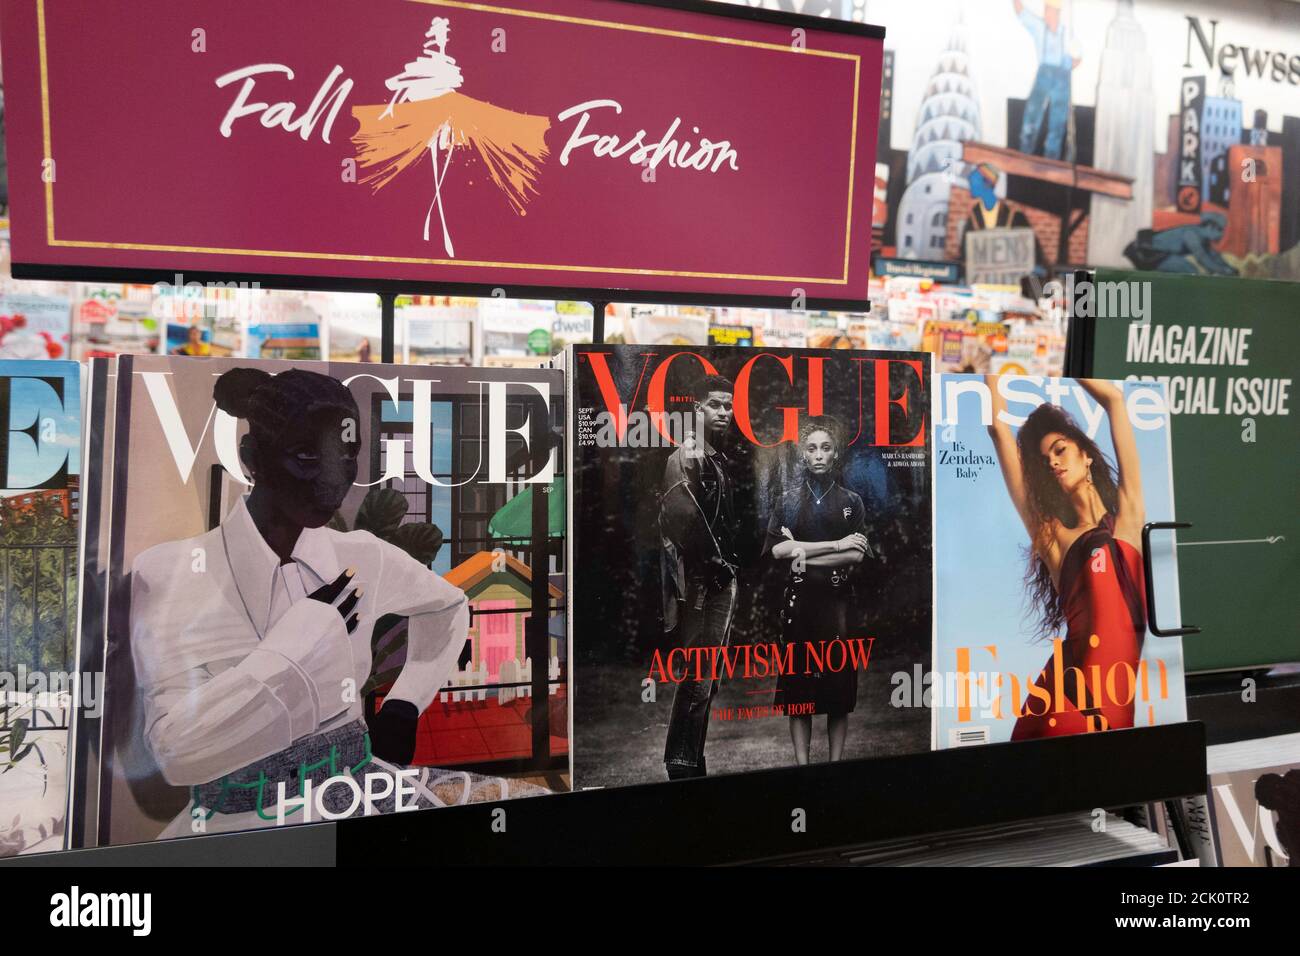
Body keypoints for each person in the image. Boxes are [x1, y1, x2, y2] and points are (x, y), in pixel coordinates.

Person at [128, 367, 519, 836]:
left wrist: (405, 704)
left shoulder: (362, 555)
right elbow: (177, 755)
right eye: (306, 455)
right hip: (237, 821)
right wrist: (305, 636)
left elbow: (449, 605)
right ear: (251, 457)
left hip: (361, 788)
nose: (334, 479)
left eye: (346, 455)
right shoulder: (170, 571)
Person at [985, 377, 1147, 737]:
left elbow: (1114, 400)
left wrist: (1067, 358)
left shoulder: (1130, 517)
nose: (1053, 463)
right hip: (1065, 704)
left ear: (1086, 454)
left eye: (1060, 450)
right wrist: (990, 361)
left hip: (1113, 712)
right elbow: (998, 429)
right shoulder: (1054, 539)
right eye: (1045, 461)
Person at [767, 418, 871, 764]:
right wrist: (835, 545)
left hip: (837, 608)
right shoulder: (787, 501)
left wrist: (803, 551)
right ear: (803, 455)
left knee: (838, 694)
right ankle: (803, 767)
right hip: (799, 608)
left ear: (836, 453)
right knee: (800, 694)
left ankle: (835, 765)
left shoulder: (851, 501)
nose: (818, 455)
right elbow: (778, 551)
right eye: (811, 448)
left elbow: (856, 554)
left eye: (825, 448)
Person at [658, 373, 739, 779]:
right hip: (701, 586)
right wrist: (718, 566)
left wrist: (729, 566)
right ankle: (683, 767)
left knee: (708, 680)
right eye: (716, 405)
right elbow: (683, 520)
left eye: (729, 405)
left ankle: (693, 761)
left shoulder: (715, 459)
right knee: (697, 679)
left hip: (720, 581)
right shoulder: (685, 457)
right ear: (698, 409)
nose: (724, 412)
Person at [1014, 0, 1081, 160]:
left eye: (1049, 11)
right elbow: (1021, 12)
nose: (1046, 14)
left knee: (1058, 119)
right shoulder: (1039, 27)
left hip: (1062, 79)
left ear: (1057, 13)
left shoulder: (1067, 33)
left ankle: (1052, 156)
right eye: (1045, 10)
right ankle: (1025, 152)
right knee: (1033, 112)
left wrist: (1071, 63)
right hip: (1044, 74)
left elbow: (1078, 57)